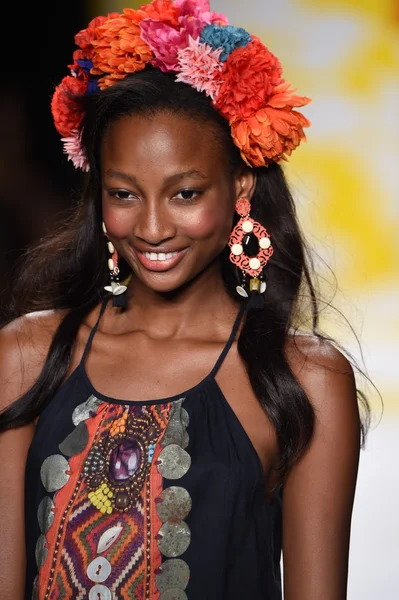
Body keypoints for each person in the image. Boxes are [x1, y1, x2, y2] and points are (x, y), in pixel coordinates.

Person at [0, 1, 371, 599]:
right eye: (124, 193)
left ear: (240, 186)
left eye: (186, 193)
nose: (150, 226)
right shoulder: (24, 355)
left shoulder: (302, 378)